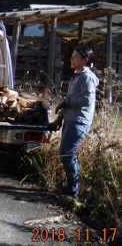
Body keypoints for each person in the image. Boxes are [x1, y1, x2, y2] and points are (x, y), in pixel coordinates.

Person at [47, 46, 99, 198]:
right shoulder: (76, 75)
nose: (72, 58)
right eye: (72, 56)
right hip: (70, 120)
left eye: (75, 56)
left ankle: (73, 191)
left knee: (66, 153)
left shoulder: (87, 77)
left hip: (79, 121)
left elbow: (86, 100)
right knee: (68, 154)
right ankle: (71, 188)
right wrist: (60, 118)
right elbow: (69, 98)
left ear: (85, 60)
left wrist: (68, 102)